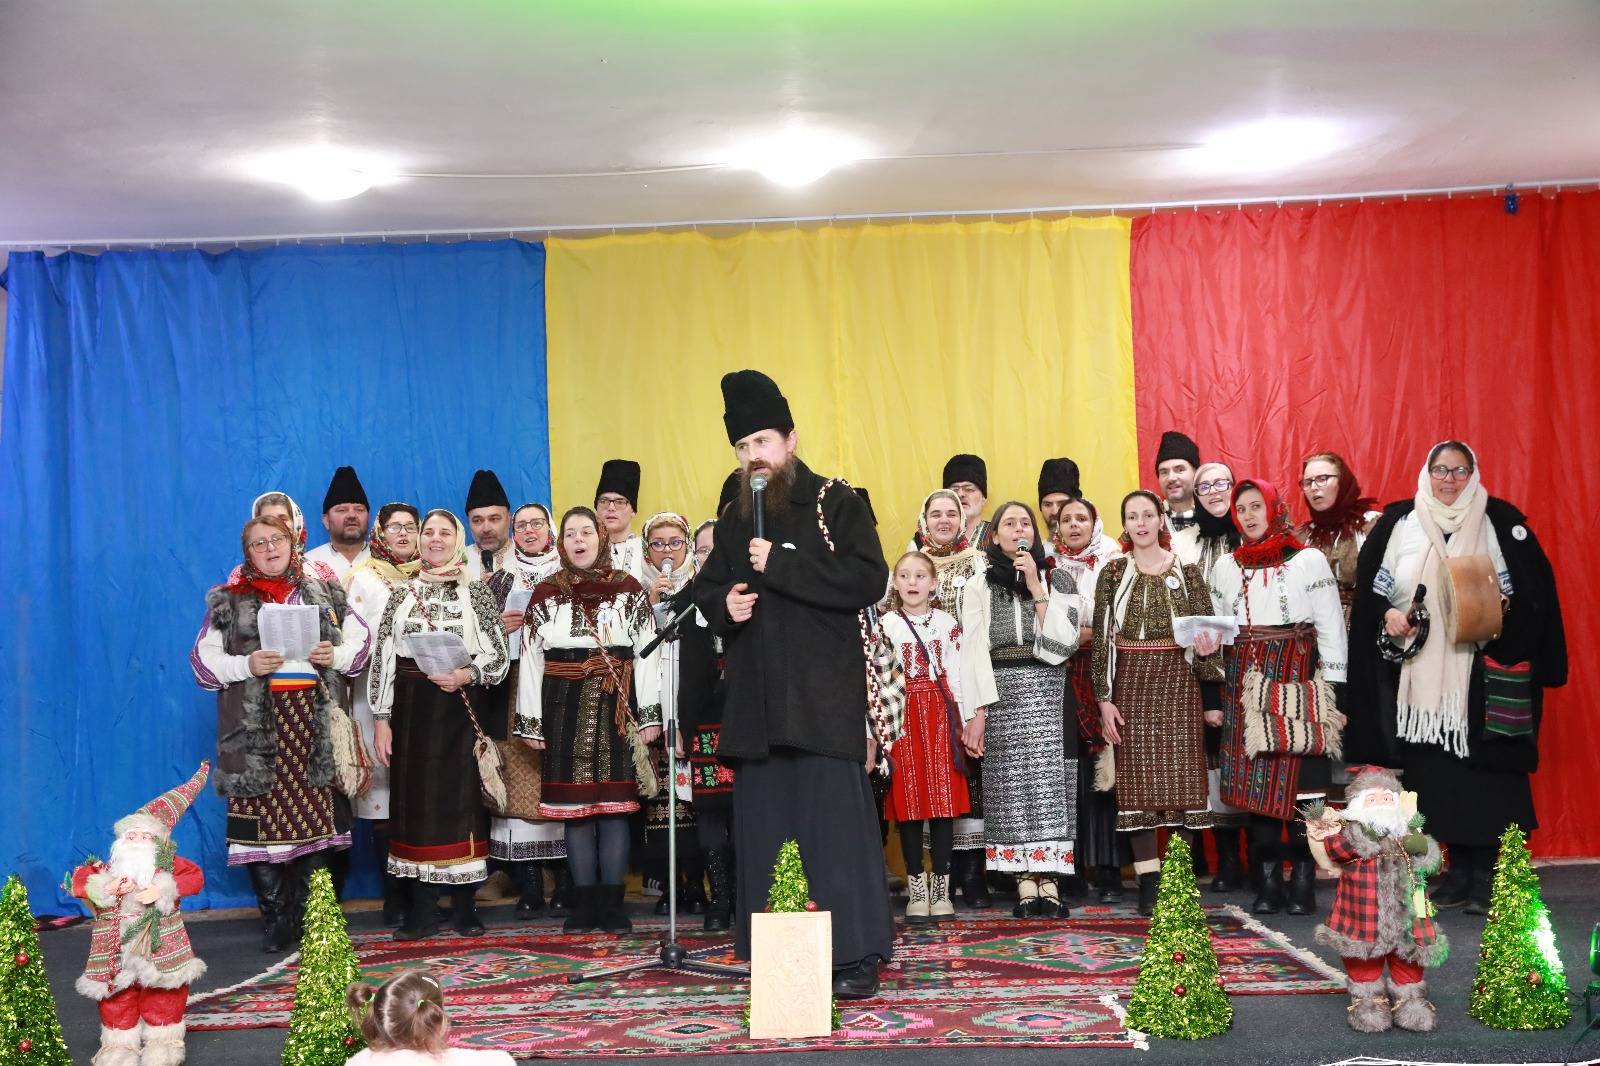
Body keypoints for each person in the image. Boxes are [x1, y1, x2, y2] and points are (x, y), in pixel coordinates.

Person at [693, 370, 894, 999]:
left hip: (822, 701)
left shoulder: (837, 500)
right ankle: (779, 958)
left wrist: (781, 565)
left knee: (833, 833)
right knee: (766, 833)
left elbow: (869, 579)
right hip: (757, 707)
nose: (753, 456)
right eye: (742, 446)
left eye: (762, 441)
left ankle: (855, 955)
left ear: (791, 440)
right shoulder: (734, 518)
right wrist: (726, 604)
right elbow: (706, 590)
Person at [1347, 441, 1566, 914]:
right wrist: (1388, 614)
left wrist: (1498, 612)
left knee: (1487, 775)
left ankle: (1487, 873)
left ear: (1474, 473)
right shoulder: (1401, 522)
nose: (1450, 480)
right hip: (1419, 677)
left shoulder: (1499, 521)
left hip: (1481, 673)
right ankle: (1457, 870)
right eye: (1441, 470)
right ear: (1427, 473)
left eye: (1460, 470)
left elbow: (1532, 591)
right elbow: (1375, 588)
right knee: (1436, 773)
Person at [192, 514, 370, 950]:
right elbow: (202, 663)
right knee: (260, 823)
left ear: (293, 544)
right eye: (259, 543)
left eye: (277, 539)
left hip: (312, 726)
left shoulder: (325, 593)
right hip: (254, 729)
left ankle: (313, 920)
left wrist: (333, 655)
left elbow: (361, 647)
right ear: (247, 553)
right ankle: (277, 920)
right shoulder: (228, 602)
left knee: (315, 819)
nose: (270, 548)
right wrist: (246, 664)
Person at [514, 507, 662, 935]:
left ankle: (612, 905)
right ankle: (583, 905)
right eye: (571, 534)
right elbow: (531, 660)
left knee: (614, 810)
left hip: (616, 703)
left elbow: (646, 656)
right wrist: (530, 722)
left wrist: (649, 717)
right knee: (576, 811)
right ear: (561, 542)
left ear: (601, 537)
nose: (579, 541)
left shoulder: (628, 589)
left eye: (586, 533)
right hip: (561, 705)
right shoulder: (546, 593)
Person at [368, 510, 510, 940]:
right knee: (414, 806)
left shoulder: (476, 593)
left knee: (463, 804)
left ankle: (465, 908)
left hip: (460, 708)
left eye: (444, 533)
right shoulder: (401, 592)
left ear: (457, 539)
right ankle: (423, 910)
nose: (434, 539)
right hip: (412, 711)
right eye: (428, 532)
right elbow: (383, 658)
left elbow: (498, 656)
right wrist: (381, 719)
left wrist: (468, 674)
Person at [1210, 479, 1347, 915]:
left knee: (1307, 786)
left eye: (1256, 506)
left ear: (1273, 509)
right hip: (1245, 680)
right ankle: (1269, 881)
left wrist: (1335, 696)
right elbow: (1219, 629)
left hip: (1298, 675)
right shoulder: (1226, 566)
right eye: (1241, 509)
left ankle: (1304, 880)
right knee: (1258, 784)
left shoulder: (1308, 560)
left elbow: (1331, 627)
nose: (1249, 515)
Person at [1091, 490, 1221, 915]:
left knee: (1184, 784)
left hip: (1179, 683)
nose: (1141, 523)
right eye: (1132, 516)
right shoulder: (1113, 572)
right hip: (1130, 683)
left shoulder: (1188, 572)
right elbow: (1102, 641)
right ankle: (1149, 881)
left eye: (1148, 514)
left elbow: (1208, 637)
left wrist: (1208, 656)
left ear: (1161, 520)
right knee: (1137, 787)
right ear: (1125, 524)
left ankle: (1178, 882)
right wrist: (1104, 699)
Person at [966, 501, 1083, 919]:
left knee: (1049, 786)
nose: (1019, 530)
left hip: (1049, 690)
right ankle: (1023, 880)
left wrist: (1036, 585)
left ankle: (1049, 878)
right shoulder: (978, 583)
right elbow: (974, 652)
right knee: (1010, 788)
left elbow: (1062, 645)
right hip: (1001, 693)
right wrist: (977, 711)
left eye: (1026, 523)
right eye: (1009, 523)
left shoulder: (1058, 578)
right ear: (995, 535)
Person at [72, 763, 210, 1066]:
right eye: (130, 835)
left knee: (164, 991)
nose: (135, 840)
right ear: (120, 841)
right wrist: (105, 887)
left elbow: (195, 878)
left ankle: (163, 1042)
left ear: (158, 842)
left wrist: (162, 889)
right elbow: (79, 881)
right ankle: (119, 1045)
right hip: (115, 949)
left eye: (143, 836)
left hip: (159, 945)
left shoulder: (167, 865)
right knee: (116, 994)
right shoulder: (108, 869)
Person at [880, 551, 980, 923]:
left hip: (940, 716)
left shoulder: (946, 623)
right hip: (901, 717)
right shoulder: (886, 625)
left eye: (920, 575)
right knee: (908, 803)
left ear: (933, 583)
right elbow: (878, 678)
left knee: (941, 803)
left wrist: (965, 721)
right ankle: (916, 888)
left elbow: (957, 674)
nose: (912, 582)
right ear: (895, 583)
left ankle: (942, 888)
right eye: (904, 575)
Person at [1309, 766, 1446, 1033]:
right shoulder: (1351, 831)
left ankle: (1410, 999)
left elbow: (1432, 864)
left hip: (1407, 911)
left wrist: (1424, 848)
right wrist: (1366, 835)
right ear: (1359, 805)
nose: (1381, 803)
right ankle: (1368, 1000)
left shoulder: (1405, 831)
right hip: (1363, 912)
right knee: (1363, 957)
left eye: (1387, 798)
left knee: (1409, 956)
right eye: (1373, 798)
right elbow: (1336, 850)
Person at [912, 489, 997, 907]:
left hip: (967, 681)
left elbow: (983, 632)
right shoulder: (912, 566)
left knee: (970, 774)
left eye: (951, 513)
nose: (944, 520)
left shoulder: (979, 563)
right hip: (923, 691)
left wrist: (977, 704)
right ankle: (938, 876)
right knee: (930, 776)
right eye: (936, 514)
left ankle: (972, 874)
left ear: (963, 520)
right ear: (924, 520)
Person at [484, 503, 566, 919]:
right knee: (518, 782)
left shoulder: (568, 572)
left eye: (537, 523)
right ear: (513, 533)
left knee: (562, 778)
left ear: (550, 529)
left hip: (560, 683)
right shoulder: (499, 578)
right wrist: (498, 627)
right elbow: (479, 639)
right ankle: (530, 885)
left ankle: (566, 882)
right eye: (521, 526)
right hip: (513, 686)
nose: (530, 531)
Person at [345, 504, 423, 925]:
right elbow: (353, 639)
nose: (404, 534)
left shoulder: (435, 574)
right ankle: (393, 894)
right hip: (375, 696)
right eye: (395, 528)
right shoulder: (364, 579)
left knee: (421, 792)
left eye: (411, 527)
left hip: (424, 693)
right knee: (382, 797)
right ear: (381, 533)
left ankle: (424, 890)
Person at [1051, 495, 1126, 903]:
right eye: (1067, 519)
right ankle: (1072, 867)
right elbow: (1043, 622)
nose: (1074, 525)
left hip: (1105, 669)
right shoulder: (1048, 564)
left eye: (1082, 518)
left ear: (1094, 524)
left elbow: (1117, 621)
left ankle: (1110, 868)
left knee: (1105, 765)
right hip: (1059, 672)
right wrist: (1074, 634)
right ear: (1058, 527)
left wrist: (1085, 634)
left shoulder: (1113, 560)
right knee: (1068, 769)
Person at [638, 511, 708, 917]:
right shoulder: (638, 590)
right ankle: (670, 884)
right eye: (658, 543)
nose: (667, 551)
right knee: (661, 805)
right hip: (655, 699)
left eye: (675, 542)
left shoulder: (703, 586)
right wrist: (650, 605)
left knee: (695, 800)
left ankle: (698, 882)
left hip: (691, 698)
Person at [1187, 461, 1246, 889]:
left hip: (1254, 658)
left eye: (1220, 483)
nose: (1213, 491)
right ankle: (1227, 858)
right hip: (1204, 660)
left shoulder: (1253, 534)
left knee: (1252, 752)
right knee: (1215, 756)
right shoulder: (1186, 542)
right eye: (1203, 486)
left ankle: (1259, 853)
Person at [679, 518, 736, 931]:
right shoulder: (685, 604)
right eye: (703, 550)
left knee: (747, 812)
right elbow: (672, 672)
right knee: (710, 815)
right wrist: (677, 724)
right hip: (700, 723)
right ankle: (720, 900)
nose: (711, 556)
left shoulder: (752, 596)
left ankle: (747, 894)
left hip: (746, 720)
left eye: (719, 549)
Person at [345, 969, 515, 1066]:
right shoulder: (468, 1061)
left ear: (378, 1017)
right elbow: (504, 1060)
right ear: (437, 1020)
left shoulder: (359, 1062)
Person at [1294, 452, 1382, 623]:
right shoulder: (1302, 537)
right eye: (1307, 482)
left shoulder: (1372, 525)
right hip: (1314, 631)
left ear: (1342, 481)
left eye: (1322, 479)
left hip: (1364, 625)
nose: (1314, 487)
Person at [245, 492, 340, 585]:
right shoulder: (243, 578)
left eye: (282, 519)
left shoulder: (321, 572)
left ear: (296, 523)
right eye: (268, 520)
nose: (276, 525)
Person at [306, 466, 371, 583]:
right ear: (326, 520)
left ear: (368, 518)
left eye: (359, 509)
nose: (352, 515)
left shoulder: (385, 562)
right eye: (342, 510)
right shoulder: (309, 564)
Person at [595, 459, 646, 581]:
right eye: (604, 501)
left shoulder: (647, 552)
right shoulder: (584, 549)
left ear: (633, 510)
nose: (611, 507)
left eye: (620, 502)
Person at [464, 470, 513, 579]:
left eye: (494, 519)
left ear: (509, 519)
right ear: (469, 523)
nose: (486, 529)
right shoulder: (457, 563)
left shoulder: (526, 559)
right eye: (477, 521)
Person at [942, 453, 990, 545]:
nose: (960, 494)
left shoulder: (1000, 537)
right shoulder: (927, 539)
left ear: (983, 498)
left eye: (969, 489)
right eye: (954, 490)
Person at [1036, 457, 1081, 551]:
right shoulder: (1038, 553)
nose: (1055, 511)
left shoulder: (1105, 550)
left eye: (1061, 503)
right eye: (1047, 504)